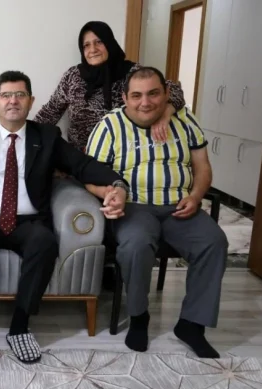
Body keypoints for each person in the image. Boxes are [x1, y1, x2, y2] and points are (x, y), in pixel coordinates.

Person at [0, 71, 128, 364]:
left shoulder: (47, 136)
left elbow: (81, 164)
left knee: (44, 243)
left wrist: (116, 184)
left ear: (31, 101)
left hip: (29, 221)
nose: (13, 101)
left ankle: (20, 326)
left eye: (20, 95)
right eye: (6, 95)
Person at [86, 66, 228, 358]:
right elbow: (89, 175)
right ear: (125, 98)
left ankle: (192, 324)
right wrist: (110, 193)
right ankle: (139, 317)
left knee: (214, 242)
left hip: (179, 205)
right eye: (136, 96)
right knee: (136, 245)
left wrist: (196, 196)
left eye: (153, 94)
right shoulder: (109, 125)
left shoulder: (185, 120)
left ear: (166, 94)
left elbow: (202, 167)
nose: (145, 102)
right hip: (134, 206)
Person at [34, 21, 187, 151]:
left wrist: (165, 114)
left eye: (99, 42)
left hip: (124, 154)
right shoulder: (73, 76)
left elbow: (173, 90)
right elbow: (50, 111)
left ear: (109, 42)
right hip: (80, 157)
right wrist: (27, 135)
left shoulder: (131, 73)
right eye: (86, 45)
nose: (92, 49)